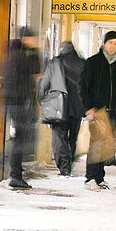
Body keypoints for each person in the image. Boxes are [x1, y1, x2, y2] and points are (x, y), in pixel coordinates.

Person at [79, 30, 116, 190]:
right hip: (97, 109)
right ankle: (90, 177)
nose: (113, 46)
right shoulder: (93, 62)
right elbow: (83, 86)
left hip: (112, 109)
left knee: (105, 144)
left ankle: (99, 177)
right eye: (110, 42)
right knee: (96, 143)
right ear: (104, 44)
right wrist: (88, 107)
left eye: (115, 43)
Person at [38, 40, 85, 176]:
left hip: (58, 107)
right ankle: (69, 163)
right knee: (72, 137)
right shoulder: (83, 63)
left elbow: (44, 84)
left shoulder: (54, 63)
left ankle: (64, 167)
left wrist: (42, 100)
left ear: (61, 50)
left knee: (59, 138)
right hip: (77, 109)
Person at [3, 26, 42, 189]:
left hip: (17, 102)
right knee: (22, 139)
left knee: (23, 138)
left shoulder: (15, 54)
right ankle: (14, 174)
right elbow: (36, 73)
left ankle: (15, 172)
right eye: (31, 38)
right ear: (25, 39)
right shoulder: (20, 56)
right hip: (18, 102)